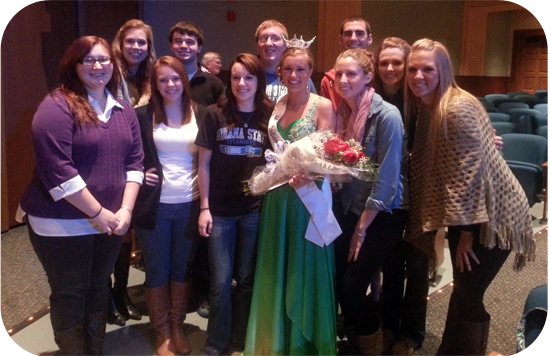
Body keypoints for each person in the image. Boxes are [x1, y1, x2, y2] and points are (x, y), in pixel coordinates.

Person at [404, 38, 535, 356]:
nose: (418, 75)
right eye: (413, 69)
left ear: (444, 70)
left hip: (493, 216)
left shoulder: (455, 107)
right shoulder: (430, 106)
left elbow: (469, 175)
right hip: (471, 213)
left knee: (469, 294)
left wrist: (465, 235)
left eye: (428, 69)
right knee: (464, 291)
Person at [16, 36, 144, 355]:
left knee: (99, 284)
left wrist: (126, 211)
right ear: (73, 66)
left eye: (103, 59)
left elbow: (135, 163)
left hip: (111, 221)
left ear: (113, 65)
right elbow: (59, 171)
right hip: (62, 223)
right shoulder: (56, 106)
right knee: (70, 292)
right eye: (88, 60)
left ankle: (93, 350)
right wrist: (98, 213)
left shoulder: (123, 109)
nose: (97, 66)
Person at [244, 45, 338, 356]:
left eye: (300, 69)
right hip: (278, 200)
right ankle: (274, 342)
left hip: (306, 200)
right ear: (280, 73)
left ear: (310, 72)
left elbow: (327, 152)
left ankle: (304, 343)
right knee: (276, 268)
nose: (294, 75)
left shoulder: (323, 105)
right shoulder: (277, 105)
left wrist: (309, 173)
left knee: (303, 268)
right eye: (288, 69)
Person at [195, 53, 273, 356]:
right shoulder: (215, 114)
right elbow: (203, 165)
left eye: (249, 77)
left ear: (258, 81)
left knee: (247, 281)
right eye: (237, 77)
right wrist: (204, 207)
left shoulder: (269, 114)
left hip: (254, 210)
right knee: (220, 281)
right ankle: (216, 342)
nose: (242, 83)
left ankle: (242, 339)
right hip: (220, 211)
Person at [331, 49, 405, 356]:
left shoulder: (387, 115)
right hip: (349, 206)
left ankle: (372, 345)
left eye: (351, 74)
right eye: (339, 74)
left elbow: (386, 179)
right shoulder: (343, 113)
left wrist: (361, 229)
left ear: (367, 78)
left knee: (351, 287)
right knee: (337, 282)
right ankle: (356, 338)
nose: (344, 80)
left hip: (382, 212)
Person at [132, 56, 204, 356]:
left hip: (189, 203)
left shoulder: (200, 112)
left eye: (175, 78)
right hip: (155, 205)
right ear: (154, 84)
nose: (170, 84)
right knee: (158, 270)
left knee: (181, 268)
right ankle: (161, 330)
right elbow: (128, 152)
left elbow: (209, 155)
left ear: (183, 81)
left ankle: (176, 325)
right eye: (163, 80)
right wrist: (138, 170)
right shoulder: (142, 115)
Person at [371, 37, 429, 356]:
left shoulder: (421, 98)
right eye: (384, 63)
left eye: (397, 63)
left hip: (420, 195)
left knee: (417, 266)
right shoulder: (373, 99)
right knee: (391, 265)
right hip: (390, 196)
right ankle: (389, 326)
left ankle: (413, 335)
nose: (391, 68)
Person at [108, 18, 157, 326]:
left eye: (142, 42)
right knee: (110, 234)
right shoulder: (111, 74)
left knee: (126, 235)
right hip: (112, 165)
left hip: (135, 166)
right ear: (120, 43)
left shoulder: (149, 77)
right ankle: (105, 297)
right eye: (131, 42)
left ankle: (120, 293)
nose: (136, 47)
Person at [254, 19, 317, 104]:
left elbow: (314, 108)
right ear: (257, 46)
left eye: (275, 38)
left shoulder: (302, 79)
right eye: (264, 38)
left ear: (285, 45)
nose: (268, 43)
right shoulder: (247, 77)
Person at [321, 16, 373, 111]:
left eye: (360, 34)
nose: (353, 38)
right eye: (348, 34)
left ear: (369, 39)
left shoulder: (381, 74)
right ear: (340, 39)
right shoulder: (328, 81)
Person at [169, 21, 224, 107]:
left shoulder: (214, 84)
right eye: (178, 41)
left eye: (190, 42)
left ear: (199, 48)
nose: (183, 46)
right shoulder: (162, 82)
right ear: (171, 47)